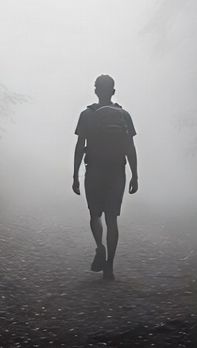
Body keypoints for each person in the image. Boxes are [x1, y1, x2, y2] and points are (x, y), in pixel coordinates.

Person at [72, 74, 138, 281]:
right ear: (113, 91)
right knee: (112, 219)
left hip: (94, 171)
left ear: (95, 91)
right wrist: (135, 175)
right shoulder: (124, 115)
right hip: (116, 171)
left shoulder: (86, 115)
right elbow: (130, 147)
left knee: (95, 215)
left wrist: (75, 174)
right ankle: (109, 266)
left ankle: (99, 246)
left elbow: (80, 147)